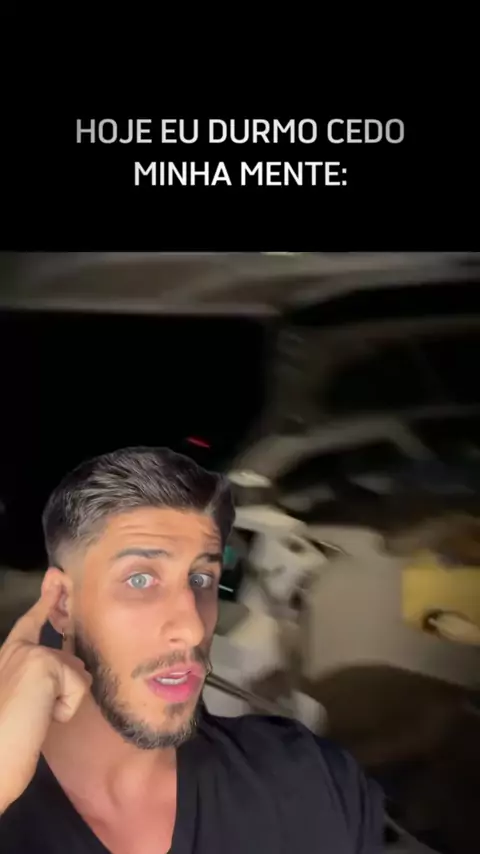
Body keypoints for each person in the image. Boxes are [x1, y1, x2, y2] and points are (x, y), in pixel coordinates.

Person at [0, 446, 384, 853]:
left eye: (201, 579)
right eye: (140, 580)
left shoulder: (311, 783)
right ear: (62, 603)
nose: (193, 628)